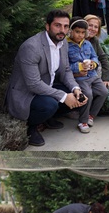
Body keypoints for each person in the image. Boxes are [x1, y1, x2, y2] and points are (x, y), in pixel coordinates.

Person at [6, 9, 84, 146]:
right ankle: (31, 127)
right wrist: (64, 97)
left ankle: (48, 118)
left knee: (78, 94)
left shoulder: (63, 43)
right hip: (26, 93)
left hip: (48, 84)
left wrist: (75, 88)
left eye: (66, 26)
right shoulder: (31, 47)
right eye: (57, 25)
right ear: (47, 26)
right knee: (50, 104)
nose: (62, 30)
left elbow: (66, 70)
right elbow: (33, 84)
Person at [65, 17, 108, 133]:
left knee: (103, 92)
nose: (80, 35)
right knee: (87, 94)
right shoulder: (66, 46)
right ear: (71, 31)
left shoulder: (87, 44)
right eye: (77, 32)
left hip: (92, 75)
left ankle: (91, 116)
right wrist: (78, 67)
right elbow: (65, 65)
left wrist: (93, 64)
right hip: (80, 78)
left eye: (83, 33)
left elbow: (95, 56)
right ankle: (83, 121)